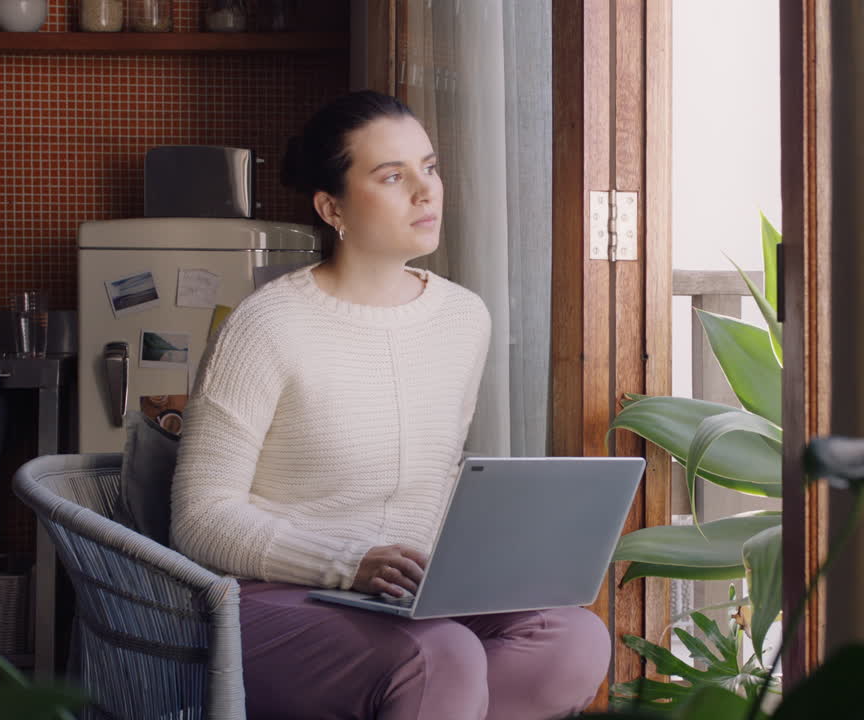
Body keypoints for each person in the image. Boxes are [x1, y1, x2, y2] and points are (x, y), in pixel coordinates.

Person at [170, 90, 611, 720]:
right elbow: (199, 518)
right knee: (441, 658)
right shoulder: (265, 326)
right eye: (392, 176)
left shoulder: (464, 318)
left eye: (428, 168)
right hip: (275, 599)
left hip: (411, 596)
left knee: (572, 642)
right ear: (333, 207)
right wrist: (345, 564)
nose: (426, 192)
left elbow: (431, 477)